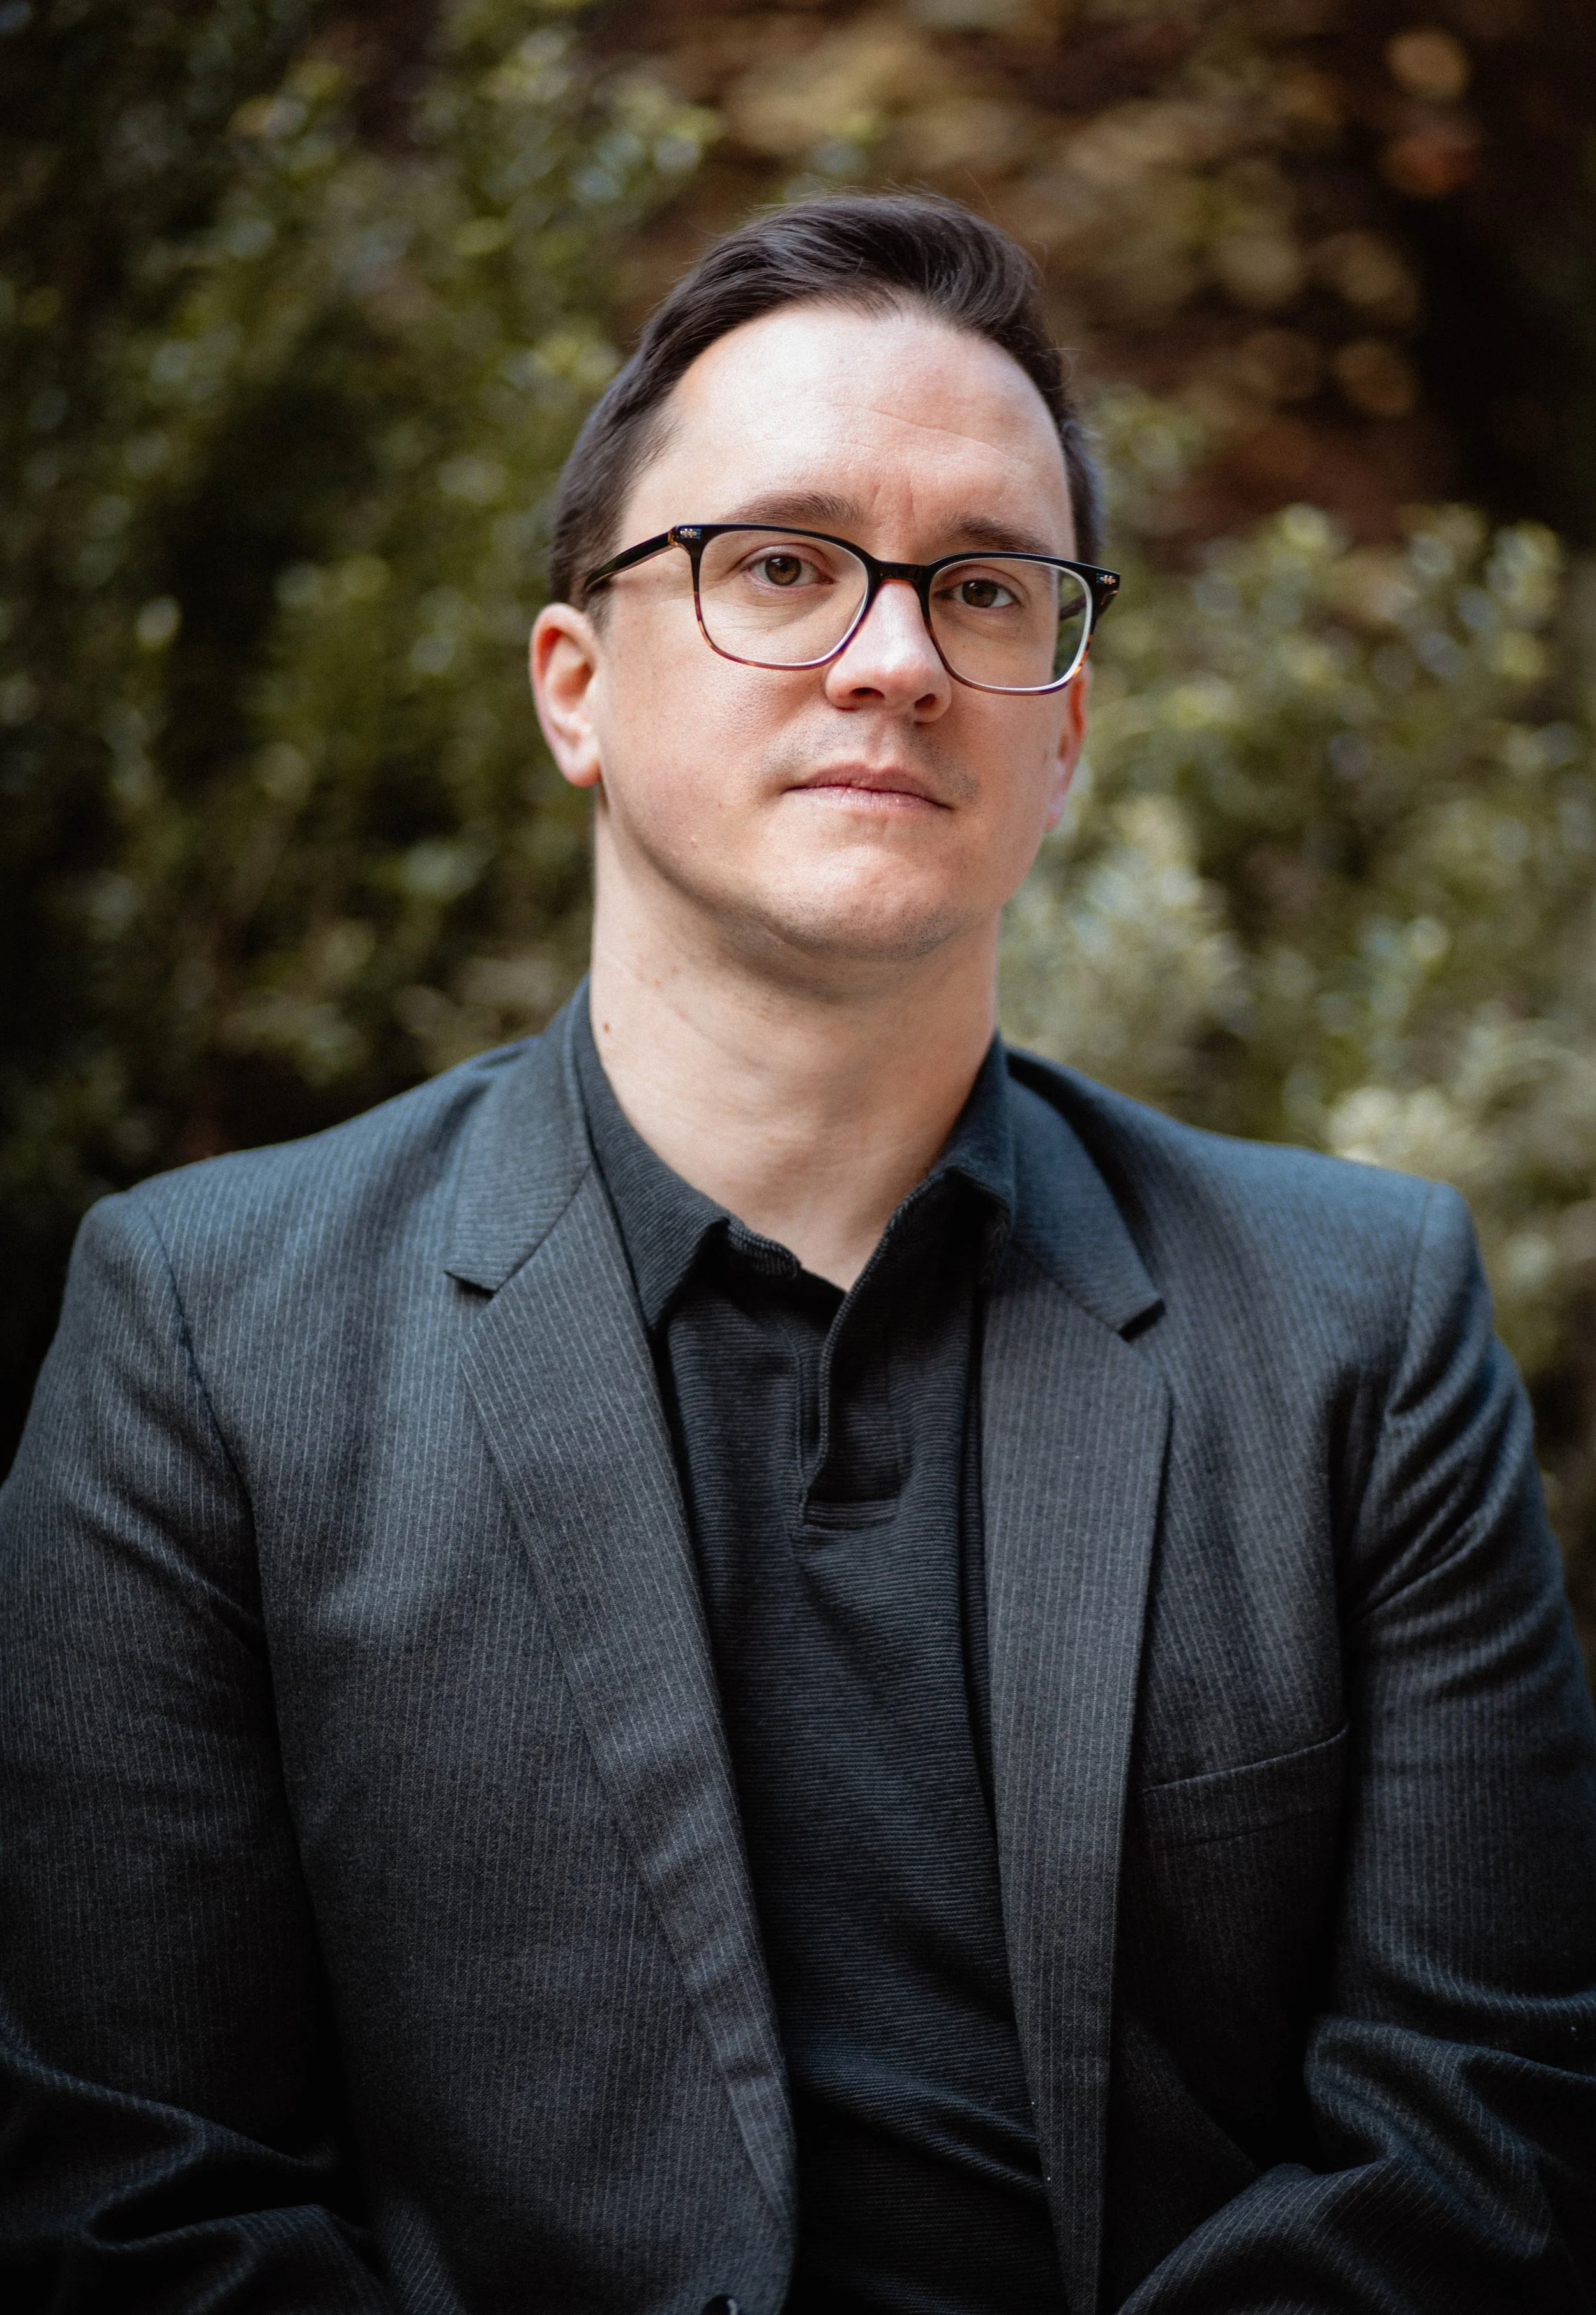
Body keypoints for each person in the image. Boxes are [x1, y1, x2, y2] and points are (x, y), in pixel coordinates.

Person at [2, 192, 1593, 2315]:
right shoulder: (209, 1331)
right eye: (778, 563)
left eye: (985, 587)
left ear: (1065, 737)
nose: (893, 656)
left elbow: (1480, 2149)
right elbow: (132, 2199)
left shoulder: (1356, 1328)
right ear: (574, 684)